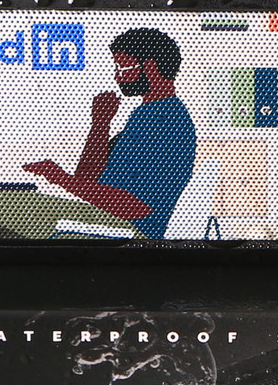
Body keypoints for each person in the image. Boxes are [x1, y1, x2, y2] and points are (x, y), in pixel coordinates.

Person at [23, 28, 197, 239]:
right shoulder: (145, 114)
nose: (117, 76)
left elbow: (136, 207)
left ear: (150, 67)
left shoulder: (167, 122)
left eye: (123, 68)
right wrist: (101, 123)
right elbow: (88, 179)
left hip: (129, 232)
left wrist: (59, 178)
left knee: (2, 211)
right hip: (108, 221)